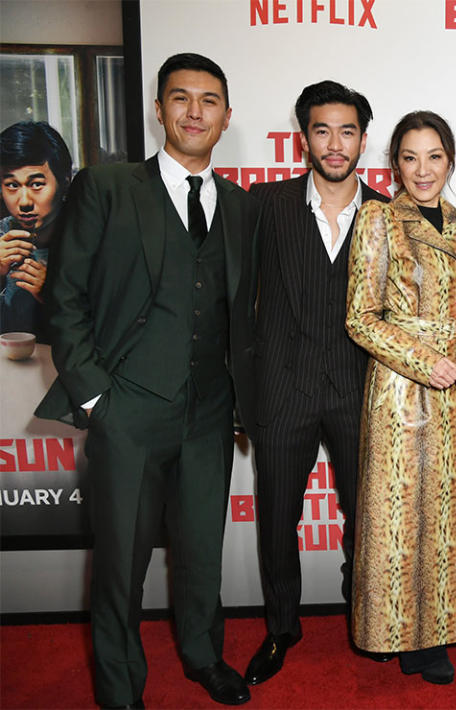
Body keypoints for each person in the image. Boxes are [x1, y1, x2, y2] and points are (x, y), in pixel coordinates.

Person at [35, 53, 258, 707]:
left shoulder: (241, 207)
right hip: (127, 407)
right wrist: (96, 395)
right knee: (121, 564)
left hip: (210, 409)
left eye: (209, 100)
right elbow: (64, 297)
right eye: (181, 98)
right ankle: (119, 687)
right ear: (158, 109)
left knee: (199, 553)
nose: (195, 111)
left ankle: (201, 655)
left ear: (225, 116)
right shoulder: (106, 187)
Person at [244, 80, 388, 686]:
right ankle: (282, 626)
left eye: (347, 131)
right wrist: (244, 395)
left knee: (367, 515)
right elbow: (239, 305)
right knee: (277, 518)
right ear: (304, 136)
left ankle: (366, 618)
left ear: (363, 138)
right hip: (282, 392)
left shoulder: (387, 213)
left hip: (361, 392)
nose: (335, 144)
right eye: (323, 130)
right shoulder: (265, 205)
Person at [346, 110, 456, 685]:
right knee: (397, 516)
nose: (422, 170)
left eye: (434, 157)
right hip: (401, 391)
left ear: (450, 159)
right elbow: (361, 317)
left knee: (451, 514)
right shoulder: (378, 218)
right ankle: (397, 634)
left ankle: (443, 631)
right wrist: (430, 363)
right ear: (394, 163)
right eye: (409, 157)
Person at [1, 121, 73, 339]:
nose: (24, 202)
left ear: (64, 182)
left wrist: (53, 293)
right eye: (12, 185)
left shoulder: (88, 237)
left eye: (36, 184)